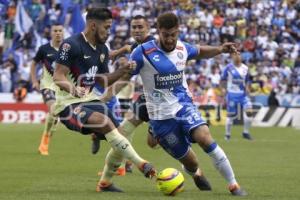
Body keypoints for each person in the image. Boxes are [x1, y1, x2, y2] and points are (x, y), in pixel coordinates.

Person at [127, 12, 247, 196]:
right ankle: (195, 173)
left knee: (205, 138)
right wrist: (119, 70)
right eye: (166, 35)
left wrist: (220, 49)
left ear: (178, 31)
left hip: (183, 106)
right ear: (158, 31)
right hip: (161, 119)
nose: (170, 39)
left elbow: (200, 52)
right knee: (192, 163)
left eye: (173, 34)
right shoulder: (142, 52)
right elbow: (126, 74)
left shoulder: (182, 48)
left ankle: (234, 185)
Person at [52, 8, 156, 192]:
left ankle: (105, 183)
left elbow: (104, 79)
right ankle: (142, 164)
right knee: (105, 123)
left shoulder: (101, 49)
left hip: (91, 100)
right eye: (106, 28)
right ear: (93, 26)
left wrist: (124, 71)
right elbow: (58, 77)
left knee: (120, 134)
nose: (109, 32)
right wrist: (74, 89)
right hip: (67, 105)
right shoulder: (71, 45)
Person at [94, 15, 156, 175]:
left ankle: (196, 171)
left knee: (153, 143)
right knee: (121, 133)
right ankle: (116, 170)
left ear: (148, 28)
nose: (136, 30)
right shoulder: (137, 47)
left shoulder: (153, 46)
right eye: (134, 27)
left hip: (164, 102)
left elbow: (126, 77)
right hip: (148, 99)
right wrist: (117, 53)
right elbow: (129, 47)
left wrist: (103, 98)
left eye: (140, 27)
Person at [30, 23, 64, 155]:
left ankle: (49, 132)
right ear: (51, 32)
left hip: (62, 88)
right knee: (53, 109)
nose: (58, 33)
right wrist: (34, 81)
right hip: (47, 86)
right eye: (55, 31)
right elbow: (33, 64)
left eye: (60, 31)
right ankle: (45, 140)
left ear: (63, 32)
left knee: (56, 116)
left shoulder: (68, 49)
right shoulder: (44, 49)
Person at [221, 53, 253, 140]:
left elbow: (247, 80)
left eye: (239, 55)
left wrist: (247, 87)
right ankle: (227, 134)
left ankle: (245, 132)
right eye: (235, 55)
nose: (237, 57)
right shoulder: (228, 67)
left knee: (249, 111)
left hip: (243, 94)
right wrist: (223, 89)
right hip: (231, 94)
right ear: (233, 57)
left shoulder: (245, 68)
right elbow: (223, 79)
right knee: (230, 116)